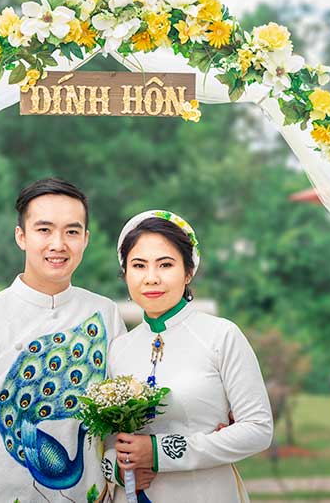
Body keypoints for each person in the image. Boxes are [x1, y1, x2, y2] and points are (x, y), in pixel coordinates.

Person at [0, 178, 133, 502]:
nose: (58, 244)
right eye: (44, 230)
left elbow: (122, 412)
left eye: (71, 231)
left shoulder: (104, 313)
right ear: (21, 237)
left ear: (85, 239)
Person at [103, 210, 273, 502]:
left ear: (188, 271)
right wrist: (116, 469)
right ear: (125, 273)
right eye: (139, 265)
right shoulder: (119, 348)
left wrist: (159, 453)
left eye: (165, 264)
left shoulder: (221, 336)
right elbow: (105, 441)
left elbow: (257, 429)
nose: (151, 278)